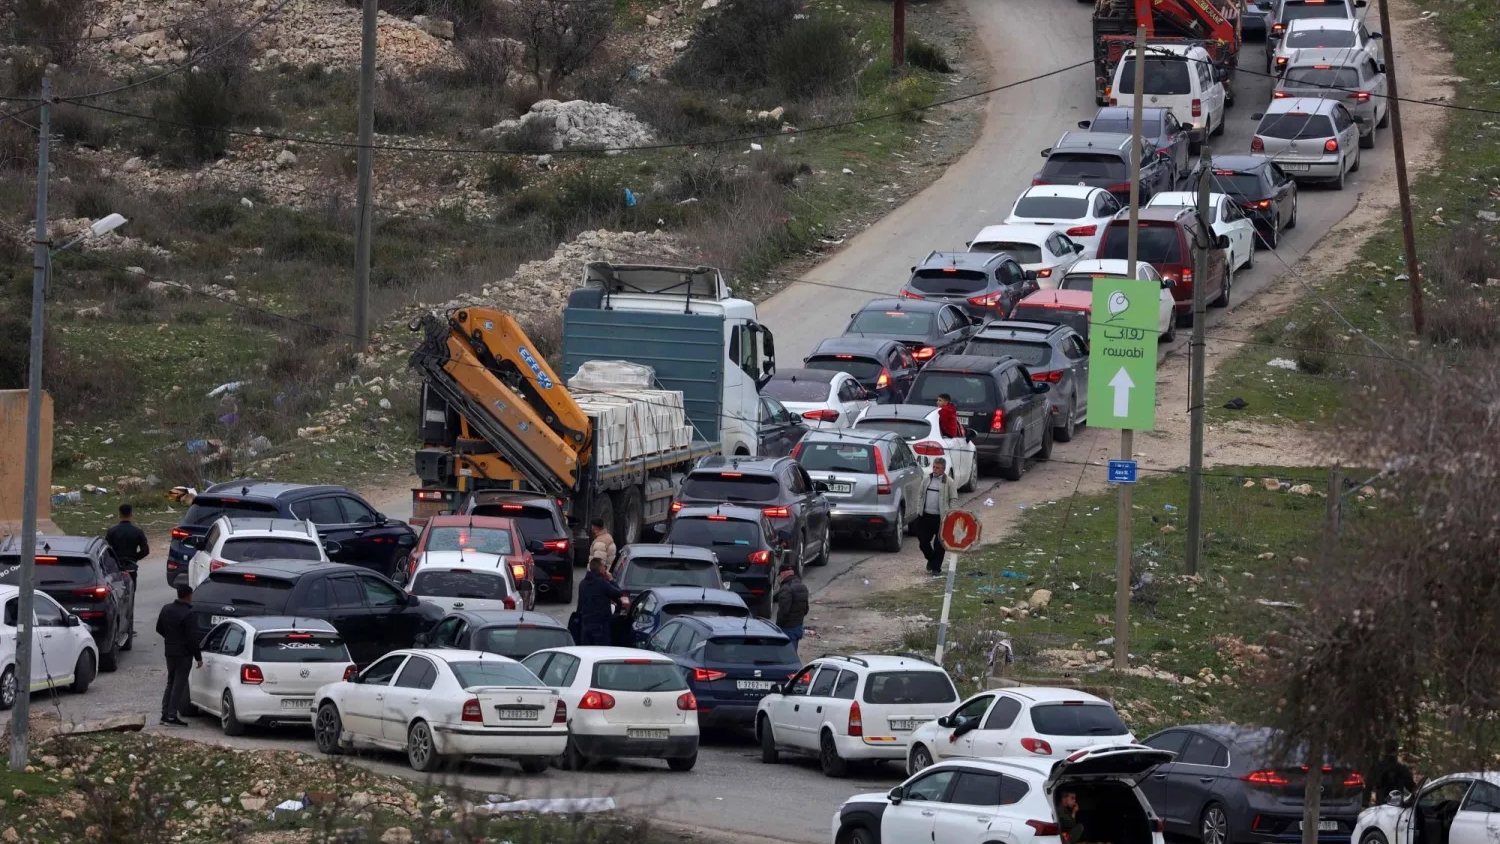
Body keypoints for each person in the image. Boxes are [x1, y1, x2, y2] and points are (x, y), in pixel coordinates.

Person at [155, 581, 201, 726]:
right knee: (179, 684)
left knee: (171, 681)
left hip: (170, 651)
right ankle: (171, 715)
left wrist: (171, 639)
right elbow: (192, 638)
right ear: (188, 596)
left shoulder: (166, 609)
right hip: (184, 654)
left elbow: (159, 628)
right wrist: (198, 657)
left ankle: (164, 714)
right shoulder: (189, 613)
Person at [913, 457, 957, 574]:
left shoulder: (949, 483)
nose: (935, 469)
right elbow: (920, 495)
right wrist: (919, 510)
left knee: (939, 545)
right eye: (934, 467)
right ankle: (932, 560)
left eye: (938, 468)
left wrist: (951, 515)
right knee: (923, 542)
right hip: (926, 516)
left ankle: (936, 568)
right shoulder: (927, 480)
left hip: (941, 519)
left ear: (943, 469)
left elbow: (953, 499)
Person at [576, 558, 623, 646]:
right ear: (601, 569)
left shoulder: (583, 583)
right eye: (604, 566)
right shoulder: (602, 583)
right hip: (600, 624)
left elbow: (580, 605)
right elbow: (618, 593)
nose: (606, 568)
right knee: (602, 650)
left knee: (587, 650)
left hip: (585, 624)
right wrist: (611, 579)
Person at [104, 503, 149, 584]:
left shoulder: (112, 531)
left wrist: (113, 559)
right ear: (131, 514)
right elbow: (145, 551)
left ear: (120, 514)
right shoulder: (138, 531)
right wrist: (134, 558)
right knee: (131, 591)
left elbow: (106, 550)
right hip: (131, 566)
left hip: (116, 566)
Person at [1366, 740, 1417, 806]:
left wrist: (1365, 803)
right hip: (1396, 807)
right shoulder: (1402, 768)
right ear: (1397, 751)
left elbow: (1368, 786)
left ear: (1385, 751)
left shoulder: (1377, 767)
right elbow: (1412, 788)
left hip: (1380, 806)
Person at [774, 565, 809, 652]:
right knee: (793, 653)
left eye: (780, 575)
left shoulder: (786, 588)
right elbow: (806, 609)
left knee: (787, 657)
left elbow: (783, 611)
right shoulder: (803, 586)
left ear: (783, 573)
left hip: (788, 629)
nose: (780, 577)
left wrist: (778, 626)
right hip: (798, 626)